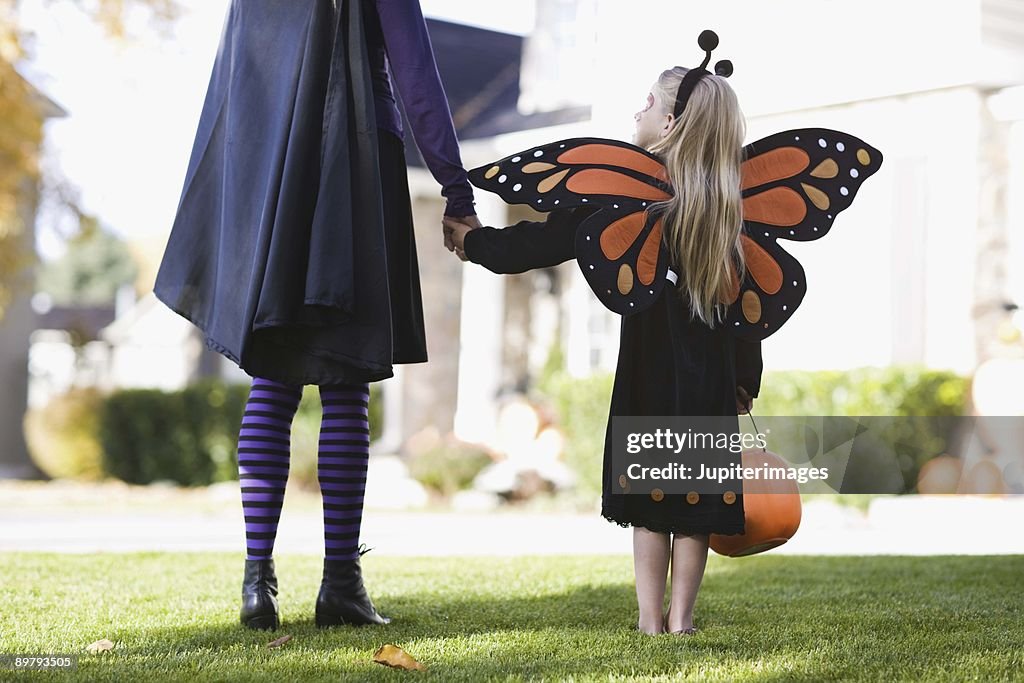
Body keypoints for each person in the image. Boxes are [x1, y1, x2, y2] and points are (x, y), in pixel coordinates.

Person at [153, 0, 480, 630]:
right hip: (354, 170)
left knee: (272, 383)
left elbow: (234, 86)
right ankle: (339, 584)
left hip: (273, 177)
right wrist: (456, 191)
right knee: (345, 387)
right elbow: (416, 76)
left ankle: (257, 582)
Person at [444, 64, 763, 635]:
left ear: (669, 122)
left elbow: (541, 240)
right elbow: (746, 315)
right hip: (709, 379)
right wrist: (744, 380)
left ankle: (649, 619)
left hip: (648, 370)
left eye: (646, 103)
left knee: (649, 502)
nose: (635, 112)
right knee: (695, 504)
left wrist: (475, 242)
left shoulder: (622, 191)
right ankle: (682, 619)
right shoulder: (727, 207)